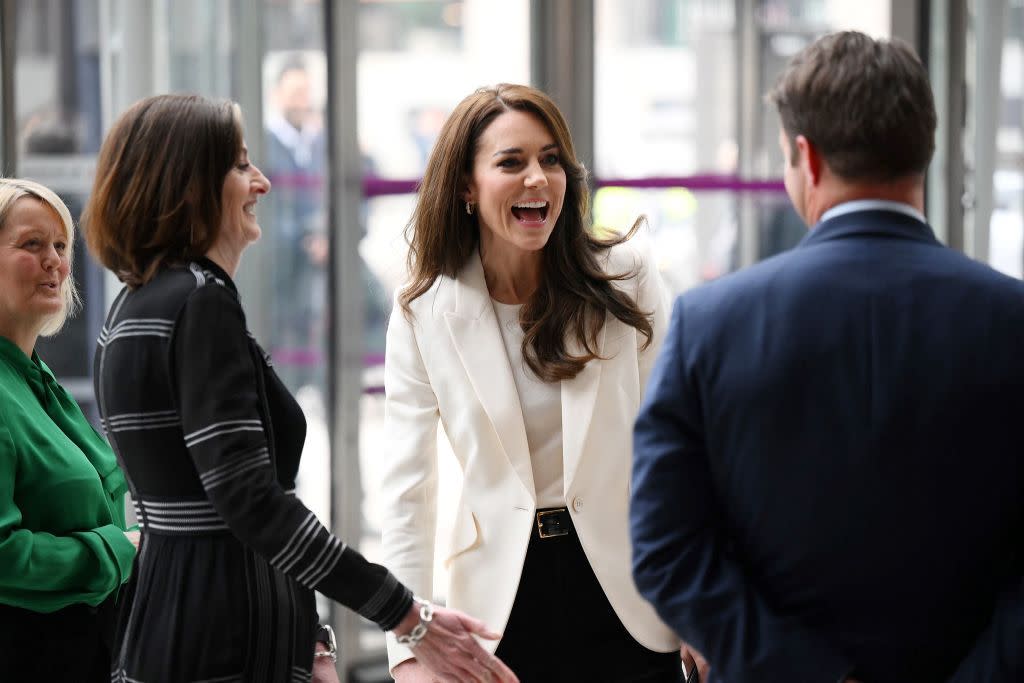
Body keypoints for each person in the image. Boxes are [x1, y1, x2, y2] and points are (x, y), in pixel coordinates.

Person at [82, 93, 517, 683]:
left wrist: (312, 639)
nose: (260, 181)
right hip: (223, 640)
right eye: (238, 166)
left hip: (169, 623)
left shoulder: (133, 307)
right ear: (187, 182)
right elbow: (252, 502)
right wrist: (405, 615)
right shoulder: (200, 302)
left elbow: (226, 506)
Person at [631, 30, 1024, 683]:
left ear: (806, 159)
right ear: (925, 149)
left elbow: (665, 550)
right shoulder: (1012, 320)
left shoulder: (710, 323)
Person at [380, 83, 683, 682]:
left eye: (551, 159)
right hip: (498, 609)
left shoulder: (627, 280)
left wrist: (701, 604)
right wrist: (409, 649)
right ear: (466, 186)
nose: (538, 178)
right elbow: (407, 493)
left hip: (632, 594)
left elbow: (680, 448)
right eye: (511, 162)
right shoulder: (424, 312)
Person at [0, 177, 139, 681]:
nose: (55, 260)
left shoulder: (34, 376)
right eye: (31, 244)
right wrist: (119, 549)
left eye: (61, 245)